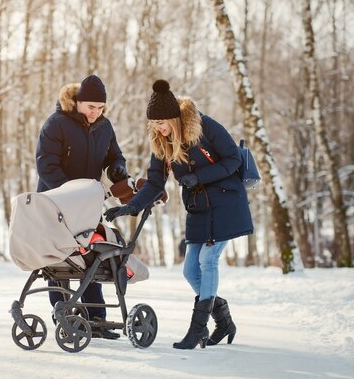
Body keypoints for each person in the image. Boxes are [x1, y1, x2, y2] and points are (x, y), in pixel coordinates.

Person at [105, 79, 253, 349]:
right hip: (198, 208)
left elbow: (233, 159)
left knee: (208, 261)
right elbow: (154, 182)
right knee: (189, 271)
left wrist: (199, 176)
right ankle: (223, 319)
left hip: (225, 203)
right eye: (154, 123)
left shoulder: (203, 125)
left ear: (174, 116)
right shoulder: (162, 142)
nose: (159, 128)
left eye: (162, 122)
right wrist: (131, 207)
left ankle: (197, 330)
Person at [36, 74, 129, 340]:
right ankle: (64, 314)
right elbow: (46, 165)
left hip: (87, 204)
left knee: (91, 258)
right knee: (60, 259)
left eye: (100, 108)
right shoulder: (56, 125)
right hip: (56, 201)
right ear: (77, 102)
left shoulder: (104, 126)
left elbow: (115, 156)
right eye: (91, 107)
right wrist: (69, 193)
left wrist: (117, 168)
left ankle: (96, 318)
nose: (95, 112)